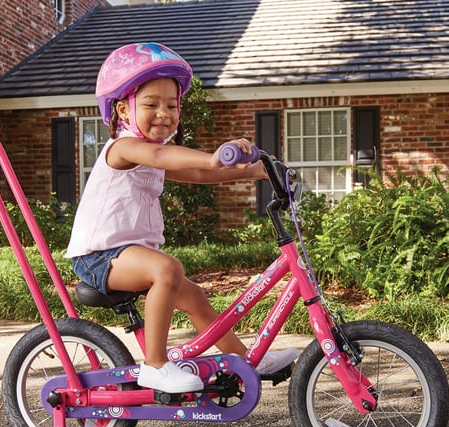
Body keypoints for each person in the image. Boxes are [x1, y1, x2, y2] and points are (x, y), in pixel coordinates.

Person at [66, 42, 299, 393]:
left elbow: (201, 174)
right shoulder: (124, 147)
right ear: (123, 111)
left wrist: (251, 171)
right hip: (99, 257)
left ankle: (246, 359)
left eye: (172, 105)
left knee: (195, 298)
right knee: (167, 268)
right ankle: (155, 366)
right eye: (150, 104)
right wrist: (211, 156)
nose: (164, 112)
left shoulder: (149, 156)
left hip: (125, 253)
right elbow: (164, 154)